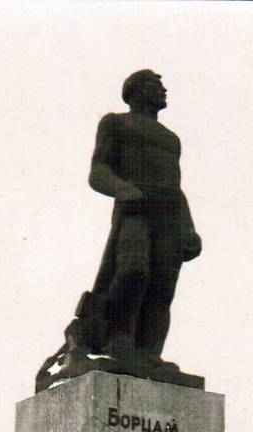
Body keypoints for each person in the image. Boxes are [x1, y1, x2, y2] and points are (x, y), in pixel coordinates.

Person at [85, 69, 202, 358]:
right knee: (132, 271)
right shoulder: (115, 123)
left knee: (162, 285)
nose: (163, 90)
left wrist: (189, 227)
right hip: (135, 209)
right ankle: (119, 339)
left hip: (169, 216)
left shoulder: (171, 139)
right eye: (155, 85)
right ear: (135, 90)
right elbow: (98, 171)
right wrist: (122, 189)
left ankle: (151, 354)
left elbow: (176, 187)